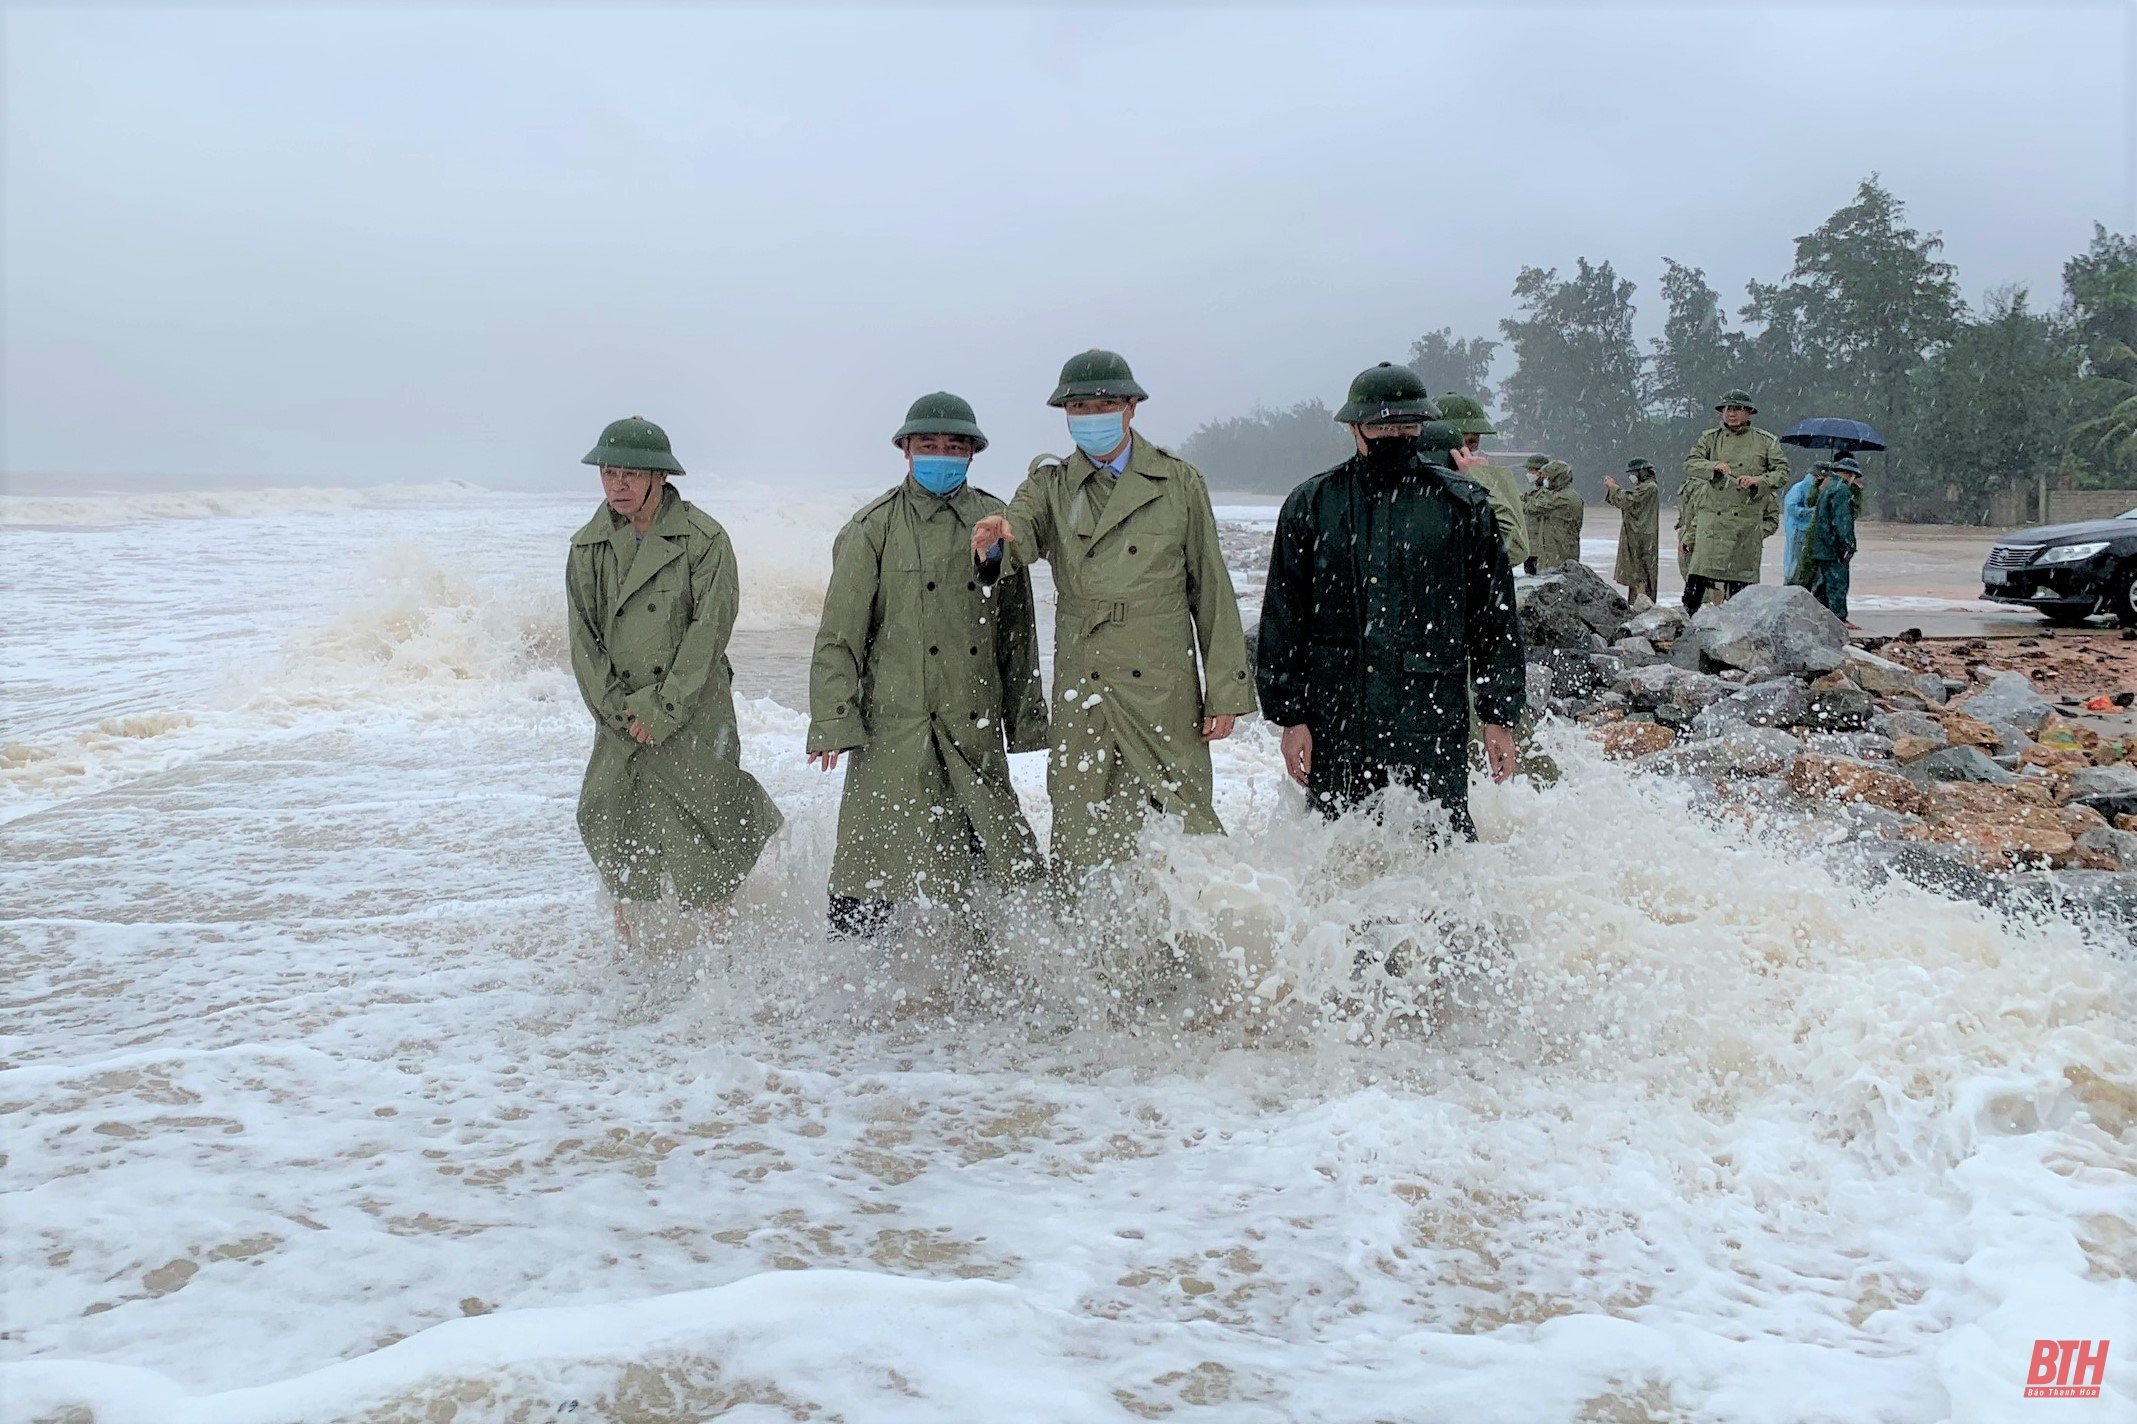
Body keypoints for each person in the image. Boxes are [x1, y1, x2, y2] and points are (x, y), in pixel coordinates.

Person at [969, 349, 1254, 876]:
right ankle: (1087, 955)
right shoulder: (1049, 485)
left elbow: (1210, 589)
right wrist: (993, 544)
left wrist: (1227, 691)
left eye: (1103, 404)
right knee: (1082, 831)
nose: (1091, 416)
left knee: (1184, 830)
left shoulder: (1178, 481)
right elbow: (1019, 537)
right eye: (1079, 407)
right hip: (1087, 680)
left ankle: (1199, 945)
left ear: (1131, 408)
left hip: (1163, 684)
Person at [807, 393, 1049, 939]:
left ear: (971, 454)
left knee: (998, 868)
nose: (941, 455)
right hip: (893, 727)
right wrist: (832, 719)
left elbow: (1017, 634)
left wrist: (1026, 721)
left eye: (954, 446)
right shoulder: (872, 528)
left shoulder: (995, 525)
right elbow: (839, 635)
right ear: (906, 451)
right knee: (869, 874)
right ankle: (850, 993)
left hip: (971, 722)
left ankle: (987, 985)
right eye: (929, 445)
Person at [1255, 362, 1526, 835]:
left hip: (1429, 720)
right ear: (1354, 428)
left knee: (1440, 854)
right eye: (1381, 426)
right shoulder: (1313, 504)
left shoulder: (1461, 506)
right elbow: (1283, 618)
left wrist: (1498, 717)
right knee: (1337, 855)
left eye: (1406, 425)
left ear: (1421, 426)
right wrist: (1289, 718)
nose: (1395, 435)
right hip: (1337, 719)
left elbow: (1494, 622)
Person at [566, 416, 783, 952]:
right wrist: (621, 715)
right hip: (621, 721)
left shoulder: (704, 539)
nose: (617, 485)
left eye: (630, 474)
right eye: (608, 473)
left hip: (693, 712)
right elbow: (585, 644)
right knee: (614, 822)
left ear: (660, 476)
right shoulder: (587, 547)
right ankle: (636, 960)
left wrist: (662, 710)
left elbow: (708, 634)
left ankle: (722, 962)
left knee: (706, 828)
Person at [1680, 389, 1790, 608]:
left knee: (1743, 594)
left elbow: (1782, 473)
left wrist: (1759, 480)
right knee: (1695, 589)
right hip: (1712, 524)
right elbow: (1690, 464)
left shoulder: (1765, 441)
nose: (1732, 414)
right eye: (1728, 409)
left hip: (1745, 525)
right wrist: (1713, 467)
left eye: (1738, 409)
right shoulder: (1710, 439)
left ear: (1749, 412)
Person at [1432, 393, 1529, 567]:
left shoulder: (1464, 488)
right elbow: (1513, 549)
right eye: (1468, 442)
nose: (1472, 451)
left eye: (1475, 443)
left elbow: (1514, 549)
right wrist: (1480, 477)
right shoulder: (1429, 487)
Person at [1808, 454, 1862, 625]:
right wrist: (1849, 545)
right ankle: (1839, 619)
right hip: (1833, 548)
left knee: (1824, 584)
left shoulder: (1827, 487)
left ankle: (1818, 617)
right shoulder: (1842, 491)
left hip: (1821, 545)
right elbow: (1842, 521)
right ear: (1849, 474)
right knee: (1838, 583)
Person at [1602, 457, 1660, 607]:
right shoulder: (1644, 487)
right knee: (1635, 572)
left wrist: (1613, 487)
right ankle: (1636, 603)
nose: (1631, 476)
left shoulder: (1649, 487)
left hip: (1642, 536)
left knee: (1641, 572)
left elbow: (1627, 500)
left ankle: (1643, 603)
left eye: (1633, 473)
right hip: (1635, 534)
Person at [1523, 459, 1584, 572]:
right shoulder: (1569, 494)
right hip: (1562, 549)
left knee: (1554, 583)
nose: (1545, 480)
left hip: (1557, 552)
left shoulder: (1561, 497)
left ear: (1556, 478)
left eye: (1547, 477)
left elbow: (1531, 507)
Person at [1783, 461, 1830, 586]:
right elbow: (1792, 507)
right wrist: (1810, 512)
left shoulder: (1822, 489)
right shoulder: (1800, 488)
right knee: (1796, 563)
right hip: (1799, 531)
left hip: (1813, 532)